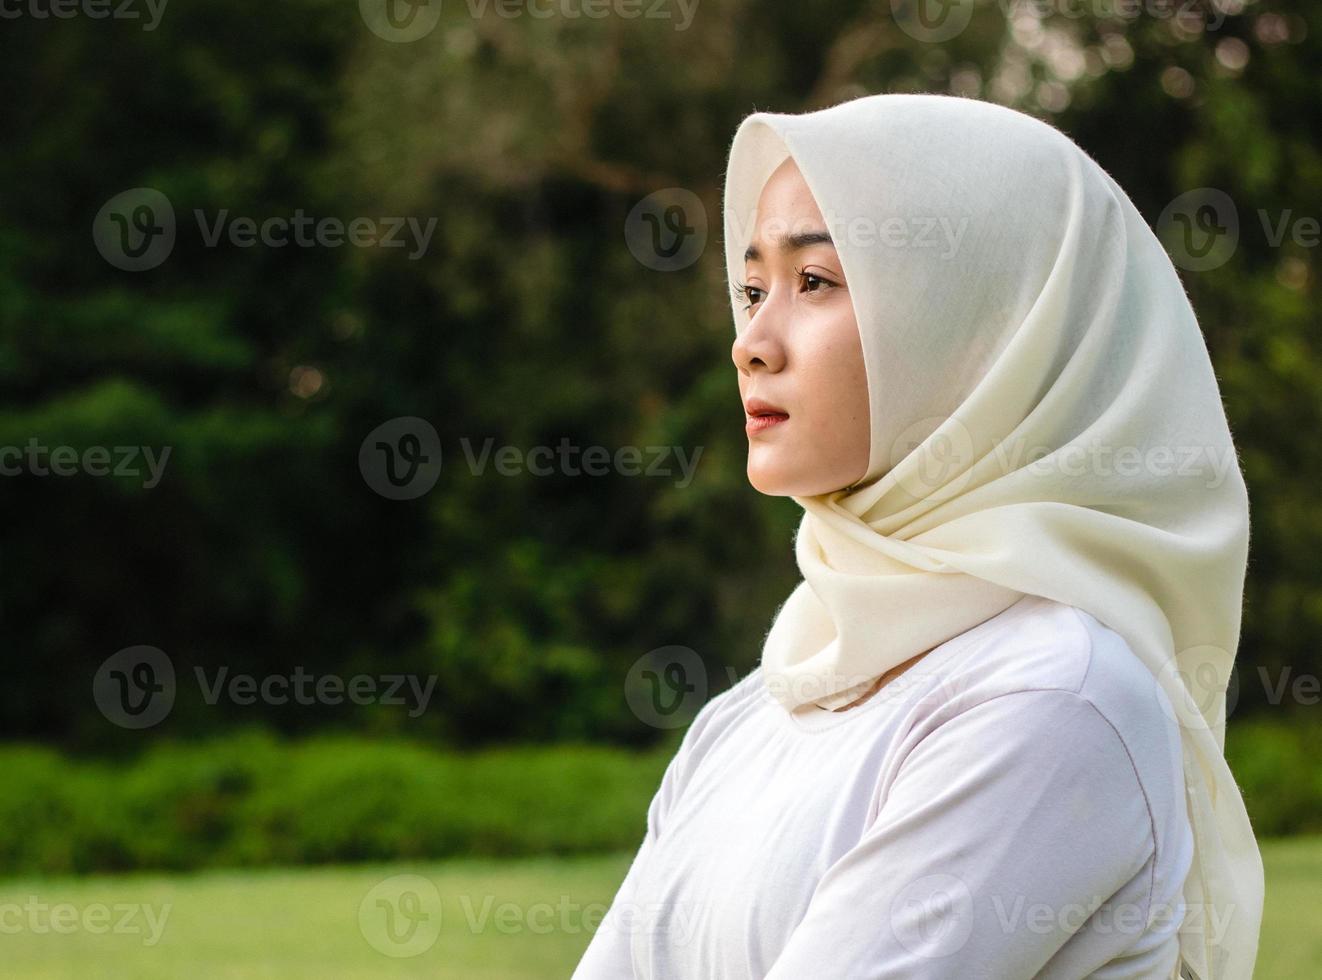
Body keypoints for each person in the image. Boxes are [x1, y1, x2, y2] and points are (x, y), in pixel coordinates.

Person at [571, 92, 1260, 980]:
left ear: (978, 325)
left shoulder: (1057, 697)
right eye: (751, 290)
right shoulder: (752, 714)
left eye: (813, 282)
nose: (750, 342)